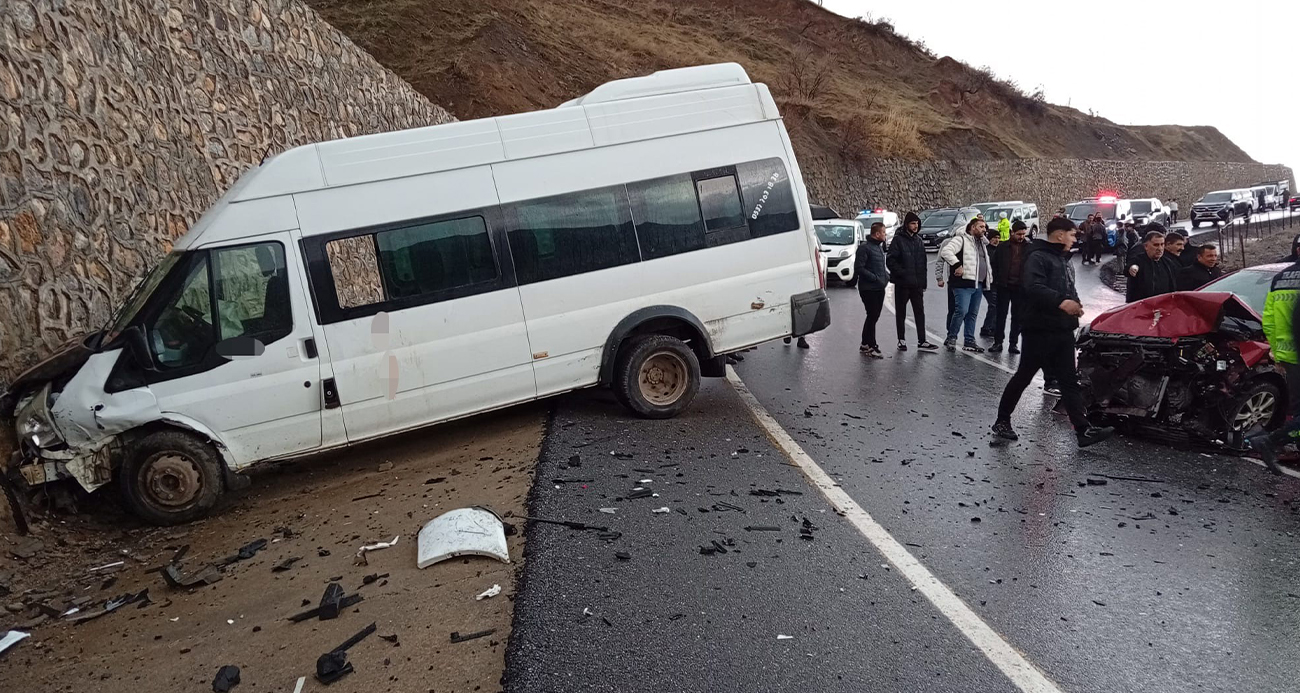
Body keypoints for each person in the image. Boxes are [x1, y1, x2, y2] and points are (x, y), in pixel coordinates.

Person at [992, 217, 1115, 447]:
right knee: (1024, 376)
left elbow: (1069, 287)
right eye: (1071, 234)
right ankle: (1002, 420)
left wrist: (1075, 304)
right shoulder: (1037, 257)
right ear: (1059, 235)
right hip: (1039, 328)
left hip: (1062, 328)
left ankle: (1082, 430)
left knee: (1069, 380)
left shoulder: (1064, 259)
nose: (1074, 239)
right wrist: (1061, 302)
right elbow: (1033, 287)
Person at [1244, 259, 1298, 474]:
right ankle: (1269, 440)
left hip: (1287, 353)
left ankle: (1272, 441)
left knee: (1297, 410)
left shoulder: (1281, 278)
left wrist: (1277, 351)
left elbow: (1268, 320)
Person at [886, 212, 940, 351]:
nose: (915, 226)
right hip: (903, 284)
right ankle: (901, 339)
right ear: (906, 225)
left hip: (916, 285)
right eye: (912, 223)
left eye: (917, 223)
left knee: (920, 312)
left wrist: (923, 283)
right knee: (901, 312)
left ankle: (922, 341)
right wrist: (902, 273)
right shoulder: (898, 240)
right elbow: (890, 260)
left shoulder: (919, 241)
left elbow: (923, 264)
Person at [940, 217, 992, 352]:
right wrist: (957, 265)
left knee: (972, 313)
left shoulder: (982, 243)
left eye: (985, 227)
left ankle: (969, 340)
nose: (984, 230)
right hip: (963, 283)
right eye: (981, 227)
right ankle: (951, 337)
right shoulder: (961, 239)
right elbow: (946, 251)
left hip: (978, 283)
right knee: (961, 311)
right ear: (973, 227)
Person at [990, 221, 1029, 353]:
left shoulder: (1029, 247)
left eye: (1024, 234)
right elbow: (994, 264)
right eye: (1019, 234)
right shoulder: (1002, 247)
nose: (1021, 236)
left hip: (1020, 287)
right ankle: (998, 342)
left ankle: (1013, 344)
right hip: (1004, 286)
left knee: (1017, 317)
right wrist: (996, 281)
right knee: (1001, 315)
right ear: (1012, 232)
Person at [854, 222, 890, 358]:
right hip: (868, 288)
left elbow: (880, 266)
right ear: (877, 234)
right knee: (872, 315)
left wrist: (886, 277)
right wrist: (875, 278)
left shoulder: (879, 248)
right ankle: (871, 344)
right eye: (884, 233)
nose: (885, 236)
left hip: (879, 288)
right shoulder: (865, 248)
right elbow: (859, 268)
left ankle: (865, 343)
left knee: (873, 316)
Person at [1125, 229, 1179, 302]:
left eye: (1162, 244)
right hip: (1143, 307)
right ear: (1146, 246)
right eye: (1156, 245)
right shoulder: (1139, 260)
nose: (1160, 248)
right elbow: (1129, 267)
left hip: (1164, 305)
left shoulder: (1168, 263)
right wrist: (1132, 268)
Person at [980, 232, 1001, 338]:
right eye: (994, 238)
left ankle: (992, 327)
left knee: (996, 305)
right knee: (994, 305)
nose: (996, 240)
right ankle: (987, 328)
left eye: (998, 238)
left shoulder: (999, 250)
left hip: (997, 283)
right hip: (987, 283)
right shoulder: (986, 250)